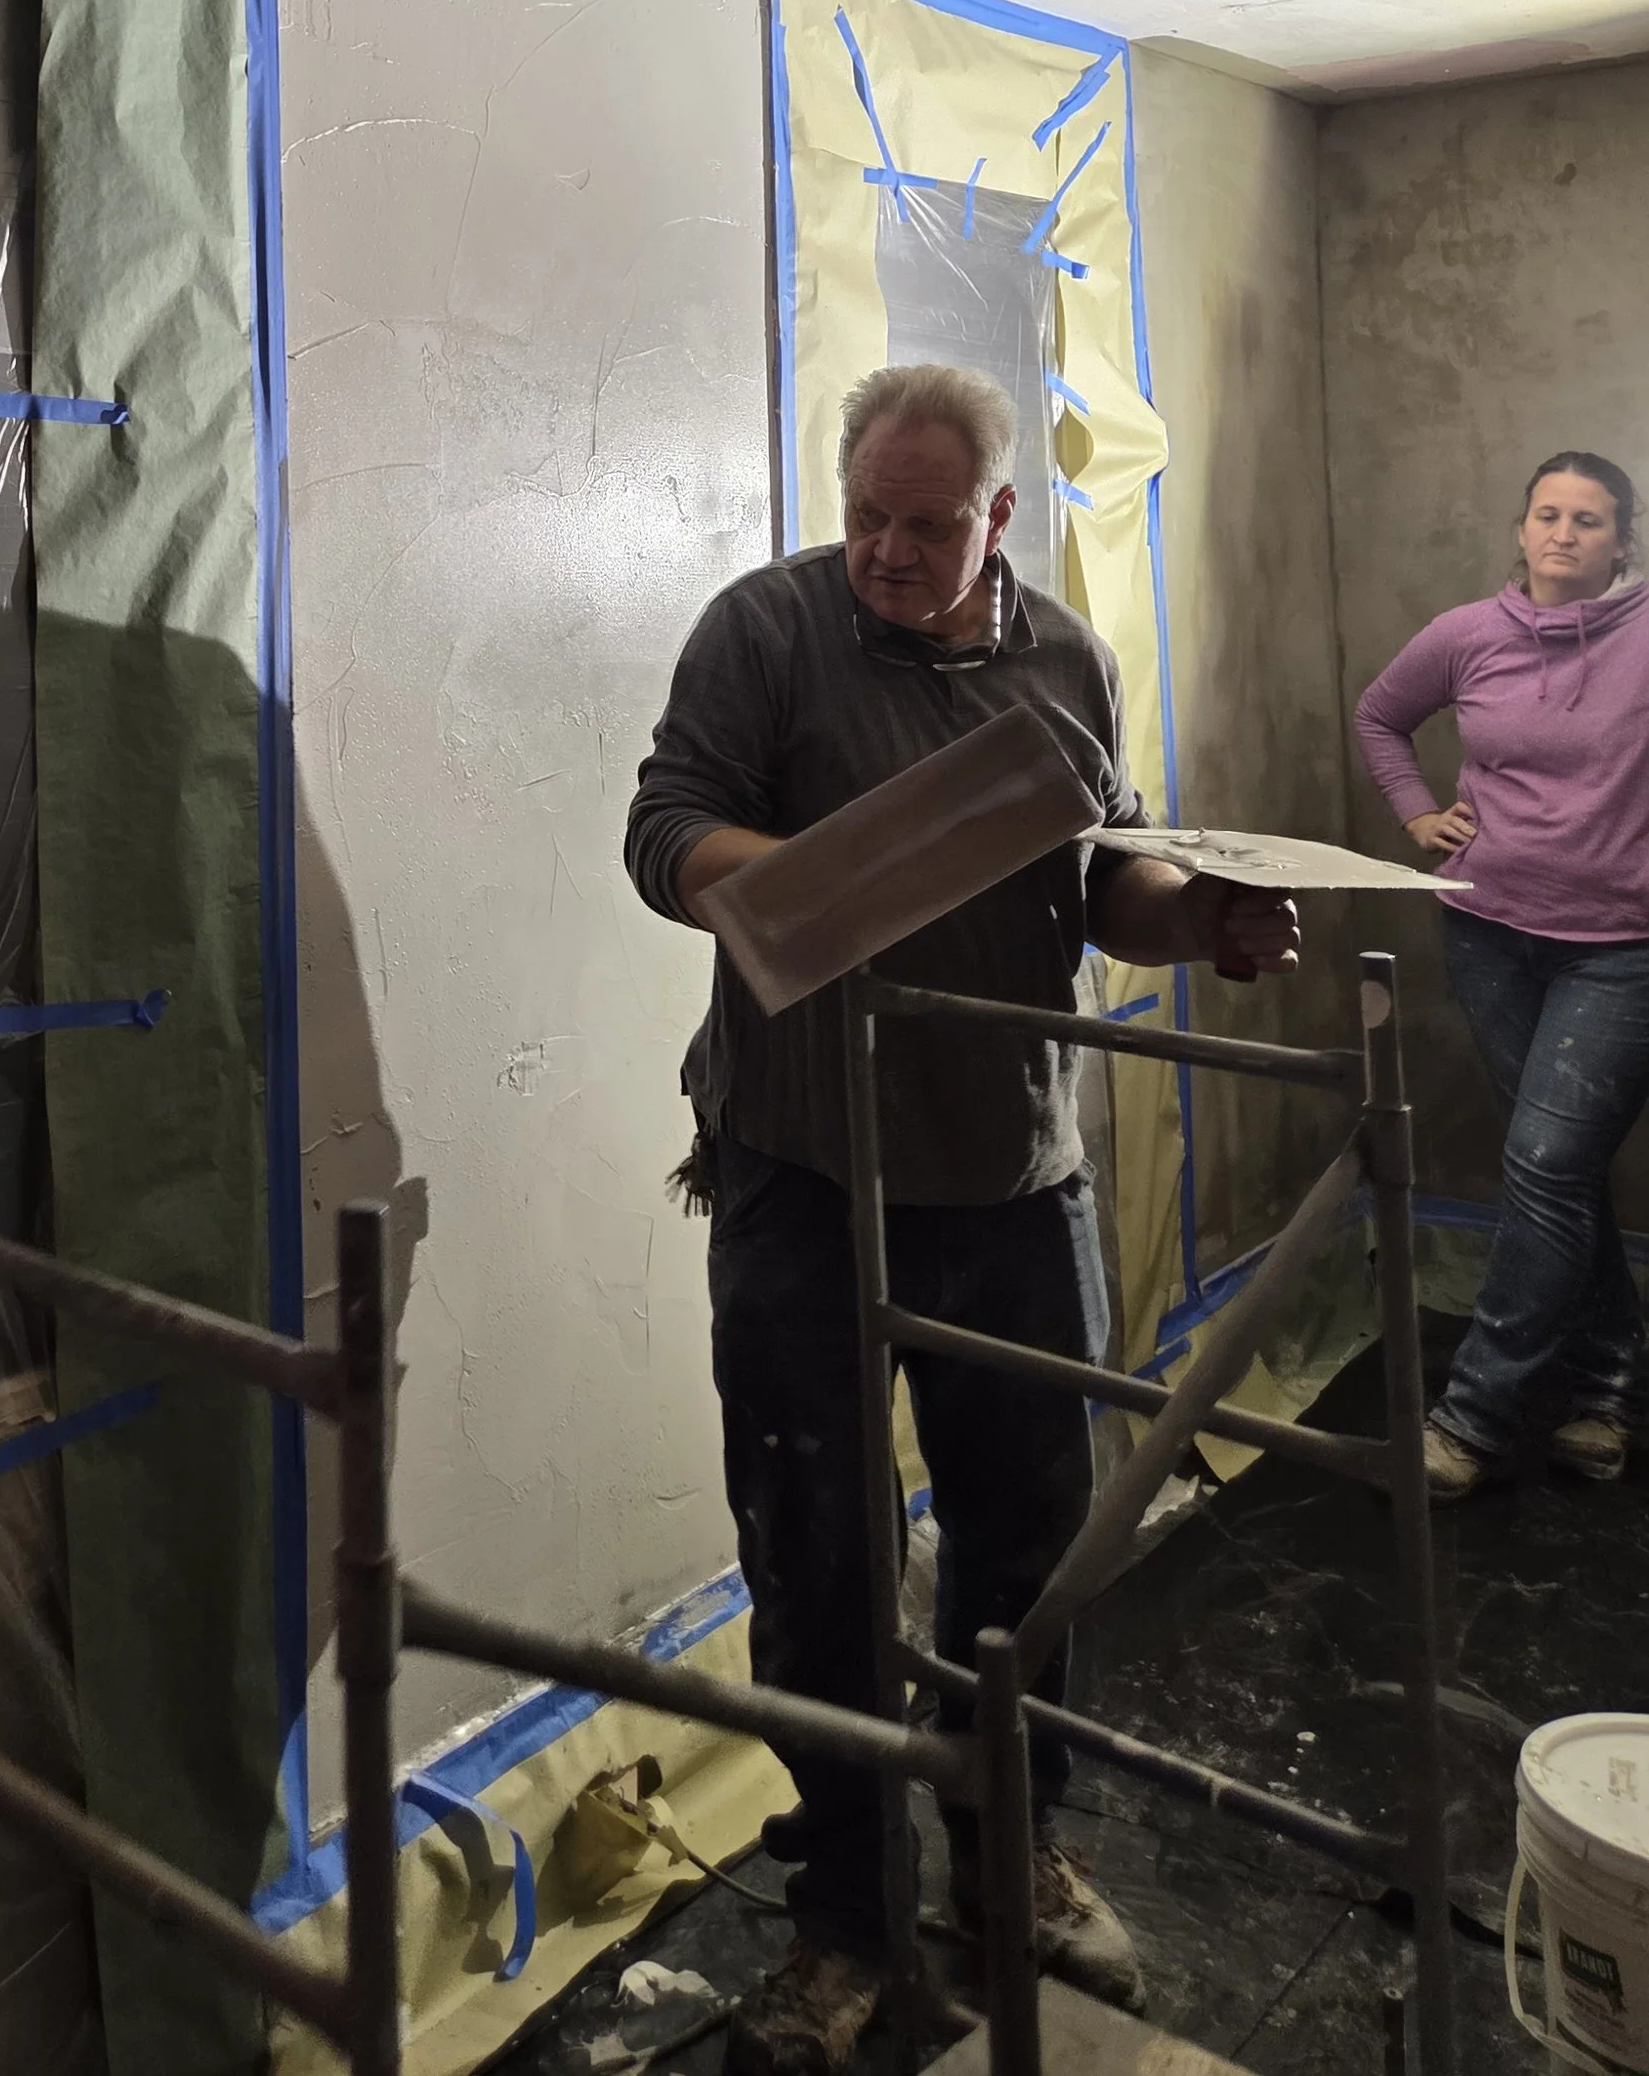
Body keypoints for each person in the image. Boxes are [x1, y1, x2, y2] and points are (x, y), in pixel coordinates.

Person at [626, 361, 1298, 2076]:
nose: (890, 553)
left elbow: (1104, 880)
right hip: (799, 1165)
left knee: (1036, 1538)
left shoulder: (1064, 659)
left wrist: (1195, 915)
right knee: (819, 1546)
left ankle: (1011, 1849)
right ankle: (848, 1912)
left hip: (1007, 1169)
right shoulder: (765, 631)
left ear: (1001, 515)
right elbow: (665, 823)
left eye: (930, 525)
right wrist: (787, 886)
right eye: (866, 516)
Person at [1354, 449, 1649, 1501]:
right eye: (1547, 515)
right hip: (1485, 931)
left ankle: (1470, 1418)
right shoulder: (1467, 635)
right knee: (1554, 1175)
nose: (1564, 533)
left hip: (1623, 951)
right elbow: (1378, 717)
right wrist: (1417, 815)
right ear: (1519, 529)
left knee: (1542, 1166)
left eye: (1589, 519)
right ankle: (1604, 1385)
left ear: (1621, 540)